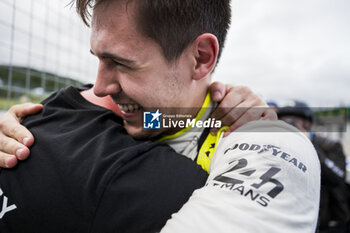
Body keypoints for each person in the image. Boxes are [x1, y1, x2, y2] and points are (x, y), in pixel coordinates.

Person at [0, 0, 320, 232]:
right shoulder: (150, 115)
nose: (100, 87)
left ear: (201, 58)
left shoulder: (245, 131)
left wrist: (260, 130)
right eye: (99, 59)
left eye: (122, 63)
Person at [278, 100, 350, 233]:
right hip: (294, 221)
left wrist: (308, 144)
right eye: (284, 121)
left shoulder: (329, 145)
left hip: (328, 223)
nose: (289, 125)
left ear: (307, 123)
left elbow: (337, 177)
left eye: (293, 121)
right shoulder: (280, 146)